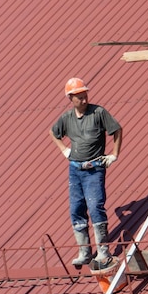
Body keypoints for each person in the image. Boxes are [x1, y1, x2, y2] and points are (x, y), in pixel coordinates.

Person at [49, 77, 123, 268]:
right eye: (79, 97)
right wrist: (64, 150)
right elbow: (53, 132)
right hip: (75, 169)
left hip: (94, 168)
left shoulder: (98, 112)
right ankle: (84, 251)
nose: (84, 100)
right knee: (76, 208)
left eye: (85, 96)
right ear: (70, 99)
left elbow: (117, 130)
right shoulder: (67, 118)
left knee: (96, 206)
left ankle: (103, 251)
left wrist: (114, 154)